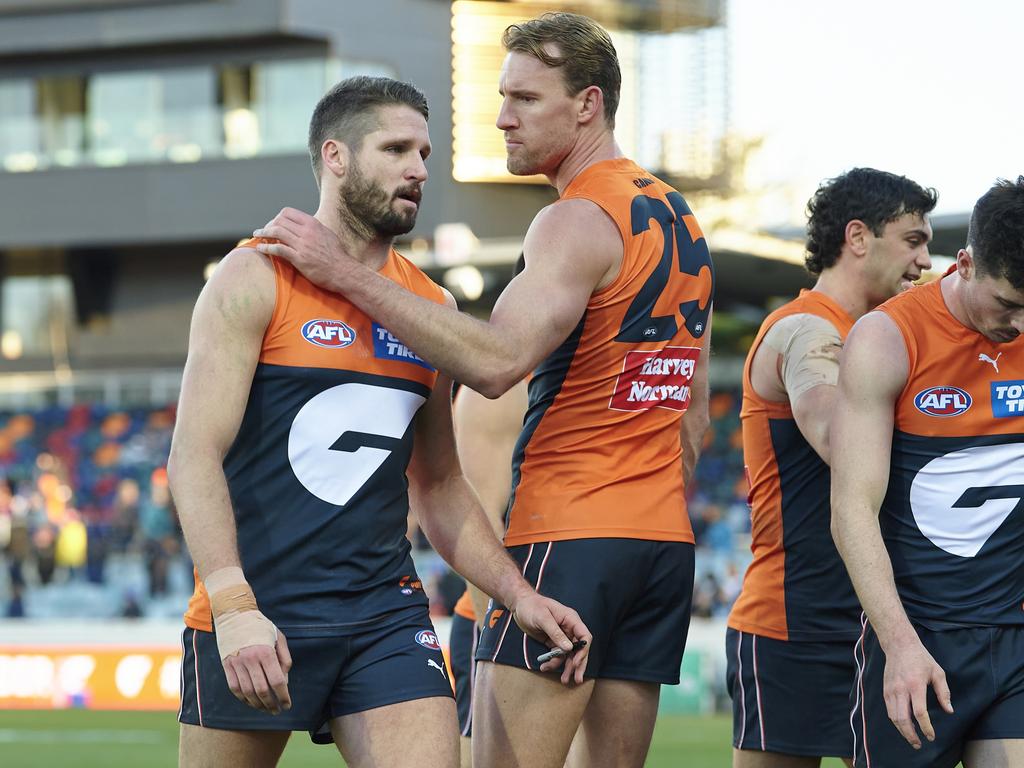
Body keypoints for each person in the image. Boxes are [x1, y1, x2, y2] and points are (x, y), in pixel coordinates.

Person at [252, 12, 713, 768]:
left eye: (525, 99)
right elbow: (691, 414)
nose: (502, 118)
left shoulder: (576, 218)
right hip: (660, 544)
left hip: (566, 536)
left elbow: (496, 363)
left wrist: (343, 272)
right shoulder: (678, 215)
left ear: (588, 104)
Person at [168, 75, 589, 768]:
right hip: (258, 609)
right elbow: (193, 457)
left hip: (384, 617)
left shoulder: (433, 310)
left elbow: (441, 486)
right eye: (396, 149)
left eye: (423, 153)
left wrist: (517, 595)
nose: (418, 169)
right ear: (336, 158)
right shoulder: (254, 278)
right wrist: (233, 605)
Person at [726, 168, 936, 768]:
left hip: (878, 622)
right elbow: (830, 432)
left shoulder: (885, 338)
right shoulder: (805, 328)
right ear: (859, 237)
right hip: (796, 626)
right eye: (912, 241)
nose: (924, 261)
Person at [831, 176, 1024, 768]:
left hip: (1013, 638)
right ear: (963, 263)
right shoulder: (889, 337)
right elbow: (851, 510)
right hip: (920, 638)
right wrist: (899, 644)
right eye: (1008, 304)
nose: (1020, 325)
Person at [449, 377, 529, 768]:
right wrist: (496, 633)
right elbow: (477, 520)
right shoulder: (501, 388)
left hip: (573, 607)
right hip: (503, 619)